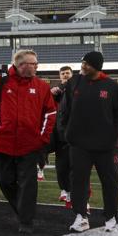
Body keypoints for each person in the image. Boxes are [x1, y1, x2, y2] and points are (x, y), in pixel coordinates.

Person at [0, 49, 57, 233]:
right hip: (4, 143)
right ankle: (23, 211)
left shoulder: (41, 86)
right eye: (33, 63)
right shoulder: (1, 82)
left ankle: (26, 222)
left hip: (30, 144)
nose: (36, 66)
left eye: (36, 63)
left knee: (28, 184)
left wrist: (42, 137)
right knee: (3, 179)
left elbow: (50, 113)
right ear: (21, 65)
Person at [60, 51, 118, 232]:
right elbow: (64, 110)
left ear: (96, 66)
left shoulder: (112, 86)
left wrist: (115, 136)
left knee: (110, 181)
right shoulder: (74, 83)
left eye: (87, 63)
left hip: (105, 144)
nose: (83, 66)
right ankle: (80, 216)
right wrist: (67, 132)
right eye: (82, 62)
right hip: (79, 143)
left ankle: (111, 218)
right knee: (78, 181)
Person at [49, 66, 75, 205]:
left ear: (72, 74)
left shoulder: (77, 88)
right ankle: (64, 190)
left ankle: (71, 191)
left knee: (74, 165)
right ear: (59, 76)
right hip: (59, 133)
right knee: (61, 165)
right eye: (63, 73)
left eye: (67, 73)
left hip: (73, 133)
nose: (65, 75)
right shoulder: (56, 90)